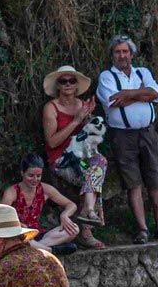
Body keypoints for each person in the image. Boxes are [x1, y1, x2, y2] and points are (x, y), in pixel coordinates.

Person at [96, 35, 158, 241]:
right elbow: (113, 101)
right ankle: (142, 230)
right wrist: (141, 94)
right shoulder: (107, 77)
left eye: (125, 51)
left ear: (131, 54)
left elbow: (155, 95)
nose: (122, 55)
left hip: (147, 133)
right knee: (133, 183)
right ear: (112, 55)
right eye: (118, 52)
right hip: (123, 136)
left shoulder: (142, 72)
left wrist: (127, 94)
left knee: (155, 179)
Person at [41, 66, 108, 240]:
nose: (68, 84)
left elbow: (89, 137)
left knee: (99, 163)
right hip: (61, 159)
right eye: (63, 81)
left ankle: (88, 211)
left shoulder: (83, 105)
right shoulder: (51, 108)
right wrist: (76, 120)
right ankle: (87, 230)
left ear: (76, 85)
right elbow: (52, 142)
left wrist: (88, 119)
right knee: (92, 174)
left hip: (82, 159)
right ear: (58, 85)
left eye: (72, 81)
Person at [3, 155, 81, 253]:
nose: (35, 179)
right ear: (22, 173)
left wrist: (64, 215)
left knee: (74, 229)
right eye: (31, 175)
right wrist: (18, 224)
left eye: (38, 176)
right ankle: (50, 250)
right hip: (18, 234)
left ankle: (34, 247)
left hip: (37, 235)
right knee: (19, 236)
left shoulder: (45, 189)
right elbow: (1, 218)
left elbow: (71, 205)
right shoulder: (11, 192)